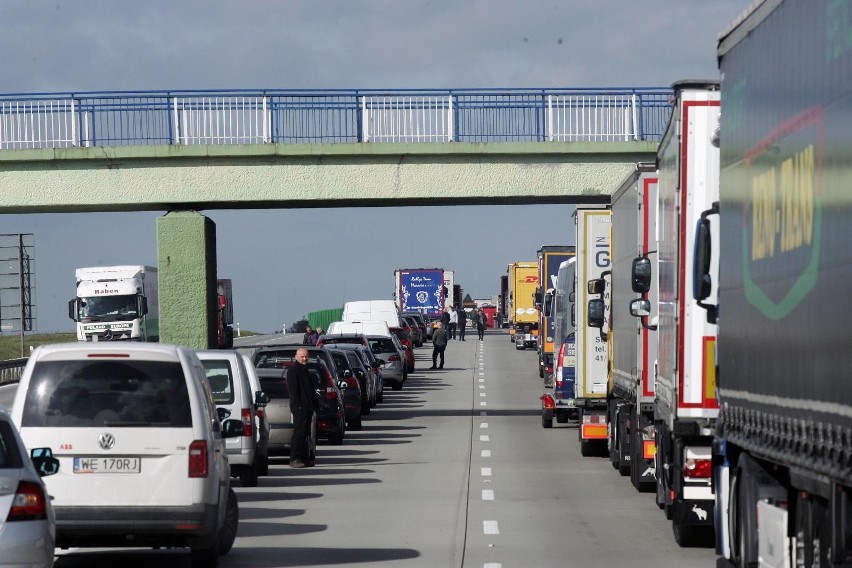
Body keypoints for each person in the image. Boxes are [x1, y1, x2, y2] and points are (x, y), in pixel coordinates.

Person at [285, 348, 319, 468]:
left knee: (306, 434)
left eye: (306, 356)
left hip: (308, 407)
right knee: (299, 433)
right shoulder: (293, 371)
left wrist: (315, 405)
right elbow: (293, 392)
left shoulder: (305, 370)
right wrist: (298, 406)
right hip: (300, 407)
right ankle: (294, 459)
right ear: (296, 357)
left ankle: (304, 459)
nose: (304, 359)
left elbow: (310, 390)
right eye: (302, 356)